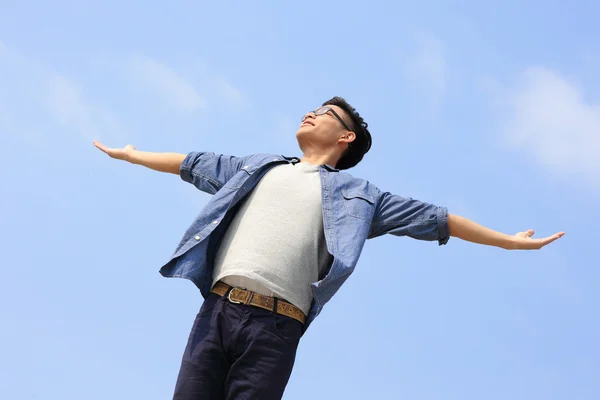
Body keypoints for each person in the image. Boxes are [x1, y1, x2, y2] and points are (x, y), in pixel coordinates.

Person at [93, 96, 565, 399]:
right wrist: (132, 155)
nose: (310, 112)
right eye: (312, 107)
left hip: (277, 328)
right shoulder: (257, 167)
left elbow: (438, 219)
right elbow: (191, 162)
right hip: (217, 310)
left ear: (346, 137)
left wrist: (507, 242)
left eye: (325, 113)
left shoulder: (361, 197)